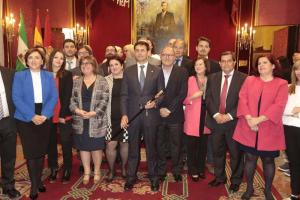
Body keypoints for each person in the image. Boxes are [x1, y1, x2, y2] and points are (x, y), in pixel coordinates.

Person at [233, 54, 288, 200]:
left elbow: (279, 105)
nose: (261, 66)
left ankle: (268, 190)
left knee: (268, 160)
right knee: (250, 158)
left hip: (269, 127)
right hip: (248, 125)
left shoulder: (281, 84)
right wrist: (250, 119)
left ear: (273, 66)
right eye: (259, 64)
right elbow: (242, 98)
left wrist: (258, 120)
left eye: (265, 63)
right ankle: (250, 187)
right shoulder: (250, 80)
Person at [12, 48, 58, 199]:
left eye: (37, 57)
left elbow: (53, 96)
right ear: (26, 61)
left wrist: (44, 114)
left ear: (43, 61)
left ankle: (38, 181)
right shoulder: (19, 75)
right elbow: (16, 98)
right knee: (31, 152)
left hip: (44, 115)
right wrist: (32, 116)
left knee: (40, 151)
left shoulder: (48, 75)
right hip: (25, 118)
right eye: (30, 58)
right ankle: (33, 185)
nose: (33, 60)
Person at [120, 41, 161, 192]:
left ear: (148, 52)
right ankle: (131, 177)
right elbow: (124, 95)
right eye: (137, 50)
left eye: (143, 50)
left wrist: (155, 102)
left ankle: (154, 178)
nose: (139, 53)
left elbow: (162, 92)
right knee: (133, 148)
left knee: (151, 149)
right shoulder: (128, 71)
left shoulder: (156, 70)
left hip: (151, 116)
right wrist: (124, 114)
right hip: (133, 115)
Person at [206, 51, 246, 193]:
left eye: (229, 61)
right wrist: (216, 114)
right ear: (220, 63)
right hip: (216, 121)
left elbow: (244, 101)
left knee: (236, 154)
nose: (226, 63)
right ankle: (219, 177)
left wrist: (229, 116)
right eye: (223, 61)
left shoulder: (244, 78)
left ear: (234, 62)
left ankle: (235, 180)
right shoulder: (212, 77)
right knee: (218, 152)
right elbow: (209, 98)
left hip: (233, 123)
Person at [70, 55, 109, 185]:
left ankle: (97, 171)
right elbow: (71, 100)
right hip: (80, 120)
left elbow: (105, 100)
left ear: (94, 66)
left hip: (96, 120)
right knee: (83, 148)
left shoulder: (102, 80)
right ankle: (87, 171)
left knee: (96, 147)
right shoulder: (76, 81)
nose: (85, 66)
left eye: (88, 63)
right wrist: (77, 111)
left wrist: (94, 113)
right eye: (83, 64)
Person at [156, 46, 188, 182]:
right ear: (161, 56)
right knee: (160, 144)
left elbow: (182, 93)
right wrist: (159, 108)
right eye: (165, 55)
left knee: (177, 144)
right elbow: (151, 92)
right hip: (157, 114)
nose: (167, 57)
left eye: (170, 55)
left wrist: (169, 109)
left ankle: (176, 170)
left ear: (175, 57)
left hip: (175, 114)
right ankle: (161, 170)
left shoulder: (182, 71)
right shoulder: (154, 71)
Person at [46, 49, 73, 184]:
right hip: (48, 114)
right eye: (56, 57)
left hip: (63, 113)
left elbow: (67, 96)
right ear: (51, 59)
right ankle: (53, 168)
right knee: (50, 143)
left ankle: (67, 168)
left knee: (66, 142)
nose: (58, 60)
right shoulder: (43, 74)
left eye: (61, 58)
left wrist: (62, 115)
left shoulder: (67, 75)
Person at [196, 36, 221, 174]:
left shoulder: (217, 65)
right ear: (196, 48)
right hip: (193, 106)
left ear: (209, 49)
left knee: (210, 134)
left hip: (211, 106)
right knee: (193, 134)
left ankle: (210, 161)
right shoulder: (189, 64)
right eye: (201, 46)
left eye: (206, 46)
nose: (203, 48)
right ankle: (192, 160)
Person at [183, 58, 210, 182]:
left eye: (201, 64)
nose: (198, 66)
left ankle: (200, 168)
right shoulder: (190, 79)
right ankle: (192, 169)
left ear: (206, 66)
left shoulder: (211, 79)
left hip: (206, 116)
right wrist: (193, 97)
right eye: (196, 64)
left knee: (203, 146)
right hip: (193, 116)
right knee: (192, 145)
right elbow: (183, 99)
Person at [105, 56, 128, 182]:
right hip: (110, 118)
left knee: (125, 143)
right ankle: (112, 169)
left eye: (116, 64)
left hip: (126, 117)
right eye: (111, 65)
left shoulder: (129, 79)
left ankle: (124, 168)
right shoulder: (105, 80)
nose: (114, 67)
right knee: (110, 145)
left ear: (122, 66)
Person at [0, 66, 21, 199]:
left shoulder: (10, 73)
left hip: (8, 121)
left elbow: (19, 95)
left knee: (9, 156)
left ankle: (8, 186)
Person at [282, 61, 300, 200]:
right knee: (294, 162)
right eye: (296, 69)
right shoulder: (288, 88)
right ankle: (295, 193)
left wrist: (297, 111)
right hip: (288, 129)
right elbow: (283, 110)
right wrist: (294, 111)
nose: (298, 71)